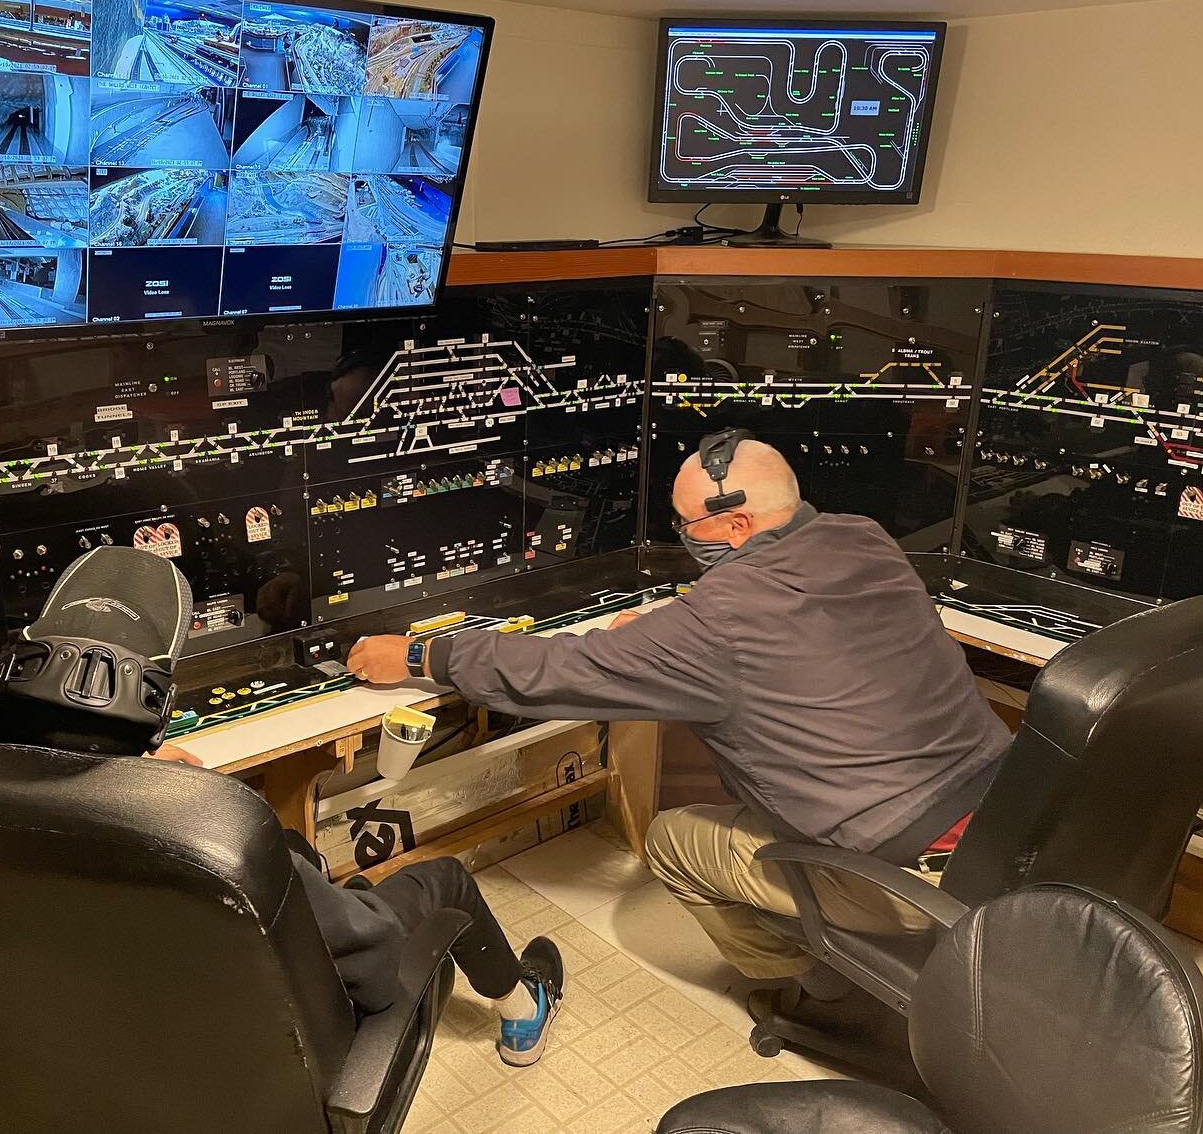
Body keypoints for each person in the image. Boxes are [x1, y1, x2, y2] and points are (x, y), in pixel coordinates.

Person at [346, 437, 1010, 986]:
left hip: (897, 873)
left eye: (688, 527)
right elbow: (791, 623)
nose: (685, 539)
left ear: (738, 524)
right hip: (1008, 828)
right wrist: (669, 633)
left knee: (672, 840)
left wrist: (417, 657)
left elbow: (552, 673)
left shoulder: (717, 622)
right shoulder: (862, 538)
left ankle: (803, 984)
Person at [147, 743, 564, 1066]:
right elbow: (376, 951)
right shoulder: (236, 850)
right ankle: (524, 1011)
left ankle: (345, 900)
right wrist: (358, 911)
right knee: (446, 880)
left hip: (201, 1044)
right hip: (323, 1016)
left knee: (294, 843)